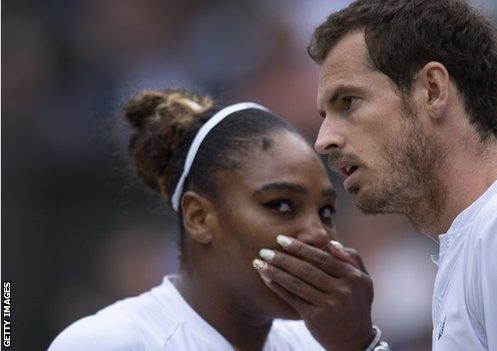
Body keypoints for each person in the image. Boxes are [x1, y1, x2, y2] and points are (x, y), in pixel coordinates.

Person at [293, 0, 497, 350]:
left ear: (432, 90)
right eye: (325, 114)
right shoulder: (478, 238)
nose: (324, 139)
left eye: (348, 102)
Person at [48, 88, 379, 351]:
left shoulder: (319, 345)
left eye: (325, 213)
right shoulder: (108, 343)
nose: (319, 234)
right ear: (199, 218)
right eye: (280, 205)